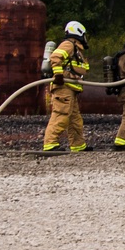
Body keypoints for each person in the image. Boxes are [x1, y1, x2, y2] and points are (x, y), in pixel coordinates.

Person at [42, 21, 92, 152]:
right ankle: (50, 144)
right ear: (79, 33)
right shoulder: (68, 45)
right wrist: (58, 74)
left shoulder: (76, 49)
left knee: (75, 119)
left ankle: (78, 145)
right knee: (61, 115)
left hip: (71, 88)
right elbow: (55, 57)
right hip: (63, 87)